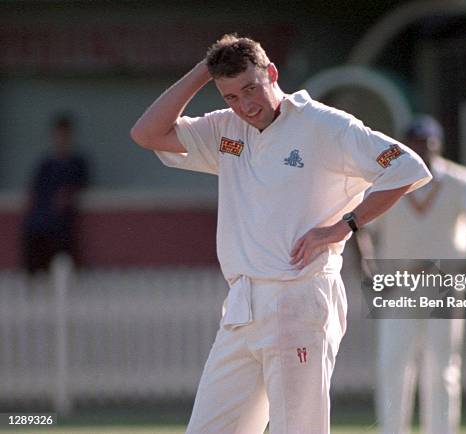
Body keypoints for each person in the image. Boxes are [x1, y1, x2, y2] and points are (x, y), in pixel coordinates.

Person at [130, 34, 432, 434]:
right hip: (241, 305)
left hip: (300, 297)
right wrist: (206, 69)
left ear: (272, 73)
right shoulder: (226, 128)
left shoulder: (325, 124)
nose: (245, 105)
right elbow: (146, 134)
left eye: (251, 88)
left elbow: (406, 167)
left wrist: (343, 226)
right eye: (231, 96)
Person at [361, 115, 466, 434]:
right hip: (399, 281)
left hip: (445, 283)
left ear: (438, 145)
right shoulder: (388, 181)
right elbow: (358, 224)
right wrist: (366, 264)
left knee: (442, 367)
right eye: (415, 143)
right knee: (393, 364)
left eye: (427, 144)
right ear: (404, 145)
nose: (422, 149)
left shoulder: (458, 181)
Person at [22, 114, 90, 274]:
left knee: (63, 266)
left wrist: (67, 196)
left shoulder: (77, 162)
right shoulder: (45, 164)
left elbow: (80, 186)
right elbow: (34, 191)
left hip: (62, 225)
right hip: (40, 223)